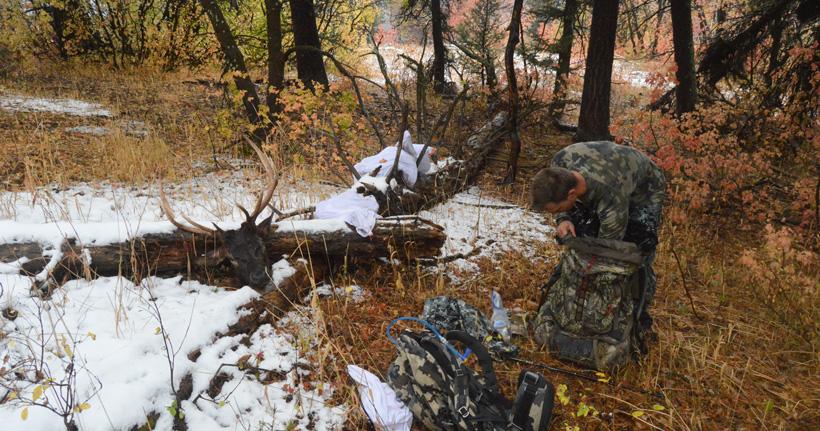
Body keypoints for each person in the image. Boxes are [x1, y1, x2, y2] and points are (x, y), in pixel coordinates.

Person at [530, 140, 666, 340]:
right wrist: (564, 218)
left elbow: (607, 253)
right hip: (607, 174)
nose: (556, 213)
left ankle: (637, 314)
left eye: (557, 209)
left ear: (571, 194)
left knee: (635, 252)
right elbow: (567, 206)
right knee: (586, 232)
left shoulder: (612, 198)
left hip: (645, 190)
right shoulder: (559, 164)